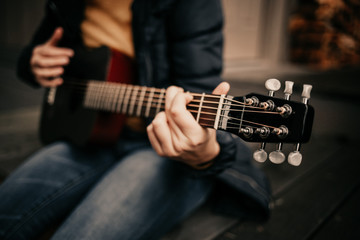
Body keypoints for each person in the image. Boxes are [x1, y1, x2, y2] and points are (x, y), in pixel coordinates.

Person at [0, 0, 271, 239]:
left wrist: (205, 152)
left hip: (159, 149)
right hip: (87, 135)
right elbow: (39, 50)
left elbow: (198, 91)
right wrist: (33, 61)